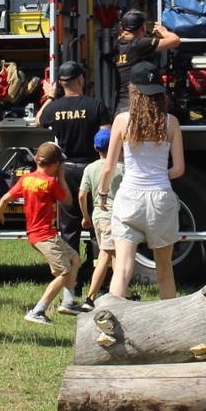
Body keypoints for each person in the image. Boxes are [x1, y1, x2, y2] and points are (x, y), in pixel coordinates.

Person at [103, 63, 186, 300]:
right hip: (160, 198)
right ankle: (171, 328)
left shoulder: (121, 120)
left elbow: (109, 166)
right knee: (164, 270)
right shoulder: (171, 122)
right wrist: (160, 176)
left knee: (122, 269)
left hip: (129, 196)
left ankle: (110, 325)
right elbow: (179, 169)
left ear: (133, 90)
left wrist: (101, 194)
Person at [0, 142, 79, 325]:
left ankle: (69, 302)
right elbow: (69, 200)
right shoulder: (50, 183)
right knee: (63, 273)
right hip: (45, 236)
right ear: (55, 165)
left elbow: (6, 198)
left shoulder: (26, 179)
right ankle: (38, 310)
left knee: (74, 258)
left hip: (37, 234)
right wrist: (62, 178)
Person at [37, 60, 105, 284]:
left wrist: (49, 96)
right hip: (92, 169)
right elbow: (105, 138)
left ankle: (71, 284)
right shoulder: (96, 106)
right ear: (81, 79)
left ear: (61, 84)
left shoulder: (55, 108)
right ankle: (101, 280)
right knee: (97, 226)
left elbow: (39, 121)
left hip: (66, 172)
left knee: (68, 229)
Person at [77, 127, 123, 308]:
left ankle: (123, 294)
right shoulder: (121, 168)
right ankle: (92, 298)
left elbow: (82, 195)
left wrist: (85, 216)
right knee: (108, 256)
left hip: (97, 215)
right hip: (114, 216)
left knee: (111, 254)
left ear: (96, 148)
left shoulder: (90, 168)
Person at [111, 10, 181, 112]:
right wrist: (164, 32)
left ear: (122, 27)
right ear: (143, 28)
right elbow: (175, 41)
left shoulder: (117, 45)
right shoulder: (140, 44)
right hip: (139, 105)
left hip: (121, 107)